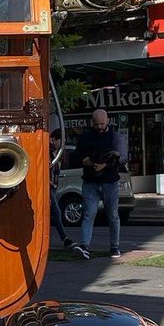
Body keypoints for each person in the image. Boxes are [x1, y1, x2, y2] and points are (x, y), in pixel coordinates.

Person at [73, 108, 128, 259]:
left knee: (113, 215)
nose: (99, 127)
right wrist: (85, 161)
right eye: (96, 124)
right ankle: (84, 245)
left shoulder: (116, 137)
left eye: (102, 124)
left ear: (108, 121)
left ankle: (114, 246)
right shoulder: (86, 138)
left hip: (110, 181)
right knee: (88, 214)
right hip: (91, 181)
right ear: (92, 122)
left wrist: (106, 164)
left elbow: (123, 158)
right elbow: (76, 156)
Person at [48, 130, 83, 254]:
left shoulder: (57, 153)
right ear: (53, 139)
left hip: (52, 186)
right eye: (60, 142)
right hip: (48, 185)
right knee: (56, 212)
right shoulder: (48, 151)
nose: (61, 145)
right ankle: (64, 238)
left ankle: (61, 238)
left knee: (54, 213)